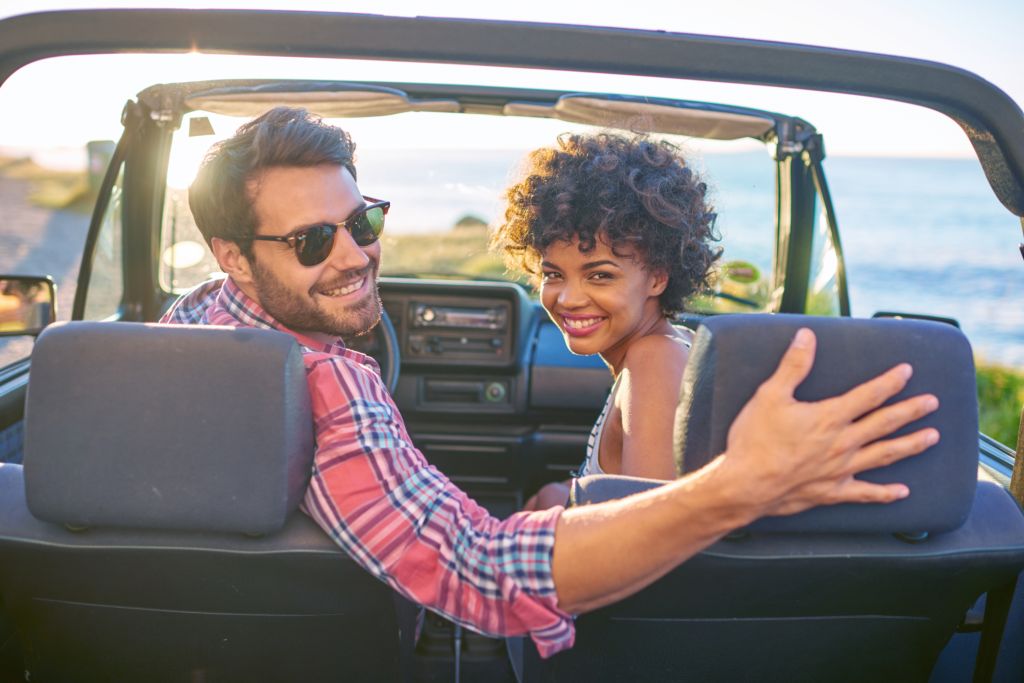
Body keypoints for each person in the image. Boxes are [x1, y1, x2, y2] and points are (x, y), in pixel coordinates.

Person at [162, 106, 940, 657]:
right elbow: (479, 570)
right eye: (311, 241)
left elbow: (653, 560)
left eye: (362, 222)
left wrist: (571, 500)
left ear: (659, 272)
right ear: (234, 254)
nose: (356, 256)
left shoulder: (187, 322)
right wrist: (736, 486)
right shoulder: (330, 382)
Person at [492, 132, 717, 509]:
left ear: (658, 278)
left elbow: (648, 536)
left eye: (600, 275)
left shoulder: (654, 361)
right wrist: (565, 495)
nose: (568, 299)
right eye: (554, 274)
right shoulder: (672, 342)